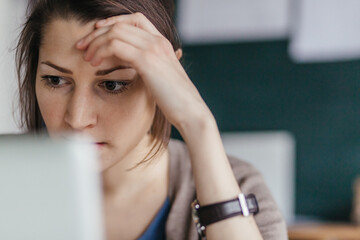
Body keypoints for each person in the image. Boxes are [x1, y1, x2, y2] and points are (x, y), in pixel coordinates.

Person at [16, 0, 287, 239]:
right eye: (56, 80)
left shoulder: (237, 186)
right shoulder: (14, 190)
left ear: (166, 79)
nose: (77, 118)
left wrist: (199, 123)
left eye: (112, 85)